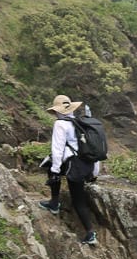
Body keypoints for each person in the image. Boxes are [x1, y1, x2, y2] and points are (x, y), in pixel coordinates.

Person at [38, 94, 99, 245]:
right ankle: (89, 232)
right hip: (87, 165)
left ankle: (55, 204)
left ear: (57, 111)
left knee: (77, 199)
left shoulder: (60, 124)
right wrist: (94, 172)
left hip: (74, 166)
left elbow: (57, 149)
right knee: (79, 199)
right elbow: (93, 147)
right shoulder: (81, 122)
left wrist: (55, 171)